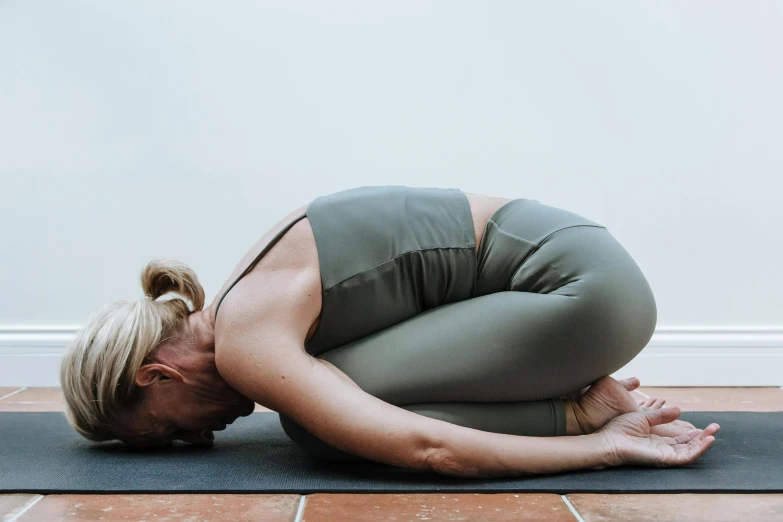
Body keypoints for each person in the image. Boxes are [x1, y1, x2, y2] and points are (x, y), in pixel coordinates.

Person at [60, 185, 719, 478]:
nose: (200, 438)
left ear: (156, 374)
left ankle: (579, 416)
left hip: (581, 295)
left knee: (319, 422)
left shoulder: (245, 340)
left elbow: (429, 449)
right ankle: (578, 405)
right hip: (584, 277)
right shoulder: (245, 300)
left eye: (171, 429)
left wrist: (605, 450)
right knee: (326, 403)